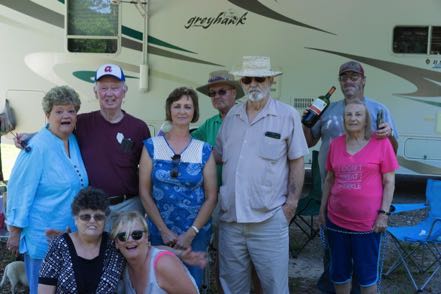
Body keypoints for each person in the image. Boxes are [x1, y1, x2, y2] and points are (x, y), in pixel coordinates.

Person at [302, 60, 399, 294]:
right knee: (334, 256)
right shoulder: (328, 109)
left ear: (363, 80)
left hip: (367, 206)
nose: (348, 81)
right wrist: (305, 122)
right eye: (344, 77)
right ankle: (332, 288)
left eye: (354, 77)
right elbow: (308, 142)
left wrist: (389, 135)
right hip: (332, 193)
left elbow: (391, 152)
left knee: (364, 263)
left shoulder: (379, 110)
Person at [15, 64, 151, 230]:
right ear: (95, 92)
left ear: (124, 91)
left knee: (131, 252)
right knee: (95, 255)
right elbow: (57, 129)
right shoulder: (82, 122)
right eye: (103, 88)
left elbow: (148, 171)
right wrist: (32, 136)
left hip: (129, 206)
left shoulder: (139, 128)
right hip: (93, 210)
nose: (109, 93)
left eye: (115, 88)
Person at [215, 56, 309, 293]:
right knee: (232, 288)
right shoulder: (231, 118)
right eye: (247, 79)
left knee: (274, 288)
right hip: (231, 220)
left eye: (259, 78)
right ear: (242, 83)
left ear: (270, 81)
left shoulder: (287, 115)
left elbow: (298, 161)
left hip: (269, 220)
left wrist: (291, 205)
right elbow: (217, 156)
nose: (253, 84)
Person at [6, 86, 88, 293]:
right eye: (59, 111)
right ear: (47, 115)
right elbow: (19, 191)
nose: (66, 116)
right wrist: (14, 231)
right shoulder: (36, 148)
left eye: (71, 111)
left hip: (70, 234)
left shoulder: (71, 139)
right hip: (43, 237)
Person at [139, 87, 217, 287]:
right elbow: (144, 192)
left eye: (188, 107)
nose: (182, 111)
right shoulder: (152, 146)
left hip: (195, 232)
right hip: (159, 230)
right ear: (169, 110)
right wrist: (163, 231)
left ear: (194, 112)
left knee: (191, 284)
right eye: (177, 106)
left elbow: (211, 196)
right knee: (158, 282)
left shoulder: (203, 149)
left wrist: (191, 232)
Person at [318, 99, 399, 294]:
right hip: (336, 223)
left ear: (366, 120)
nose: (353, 118)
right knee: (339, 274)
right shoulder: (336, 144)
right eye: (348, 114)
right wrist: (322, 211)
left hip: (367, 226)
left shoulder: (381, 144)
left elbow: (389, 182)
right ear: (343, 119)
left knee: (367, 277)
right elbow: (329, 179)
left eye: (358, 114)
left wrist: (383, 214)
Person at [38, 187, 124, 293]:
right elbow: (45, 289)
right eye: (85, 217)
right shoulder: (59, 245)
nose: (92, 221)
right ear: (75, 219)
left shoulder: (114, 246)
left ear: (105, 220)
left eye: (98, 217)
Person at [112, 211, 200, 294]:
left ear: (146, 238)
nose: (130, 240)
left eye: (136, 235)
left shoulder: (164, 264)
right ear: (116, 243)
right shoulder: (123, 266)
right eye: (122, 236)